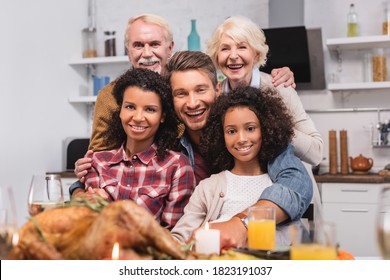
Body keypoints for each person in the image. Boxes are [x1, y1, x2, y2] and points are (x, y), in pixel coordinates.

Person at [72, 13, 296, 189]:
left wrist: (274, 78)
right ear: (128, 50)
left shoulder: (191, 88)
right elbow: (98, 162)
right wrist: (79, 188)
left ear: (169, 48)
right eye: (138, 45)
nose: (146, 53)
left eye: (155, 44)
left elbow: (288, 174)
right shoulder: (111, 96)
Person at [165, 51, 312, 247]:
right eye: (181, 93)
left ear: (217, 89)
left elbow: (296, 183)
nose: (192, 103)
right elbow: (182, 234)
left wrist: (243, 223)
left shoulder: (262, 137)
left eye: (200, 90)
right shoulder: (169, 147)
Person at [81, 68, 196, 229]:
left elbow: (173, 235)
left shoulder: (177, 166)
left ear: (162, 116)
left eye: (150, 109)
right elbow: (91, 226)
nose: (138, 117)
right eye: (130, 107)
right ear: (120, 110)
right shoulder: (97, 162)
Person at [206, 15, 323, 166]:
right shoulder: (215, 95)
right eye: (225, 48)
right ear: (216, 56)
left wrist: (279, 127)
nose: (233, 56)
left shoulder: (280, 87)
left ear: (256, 55)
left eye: (242, 47)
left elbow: (316, 153)